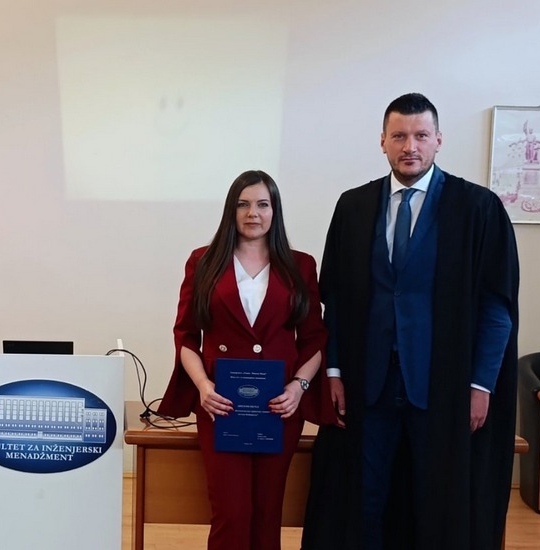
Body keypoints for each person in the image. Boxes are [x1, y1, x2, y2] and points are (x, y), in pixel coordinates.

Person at [301, 93, 520, 550]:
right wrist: (334, 370)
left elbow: (496, 308)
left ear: (439, 140)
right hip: (369, 385)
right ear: (382, 141)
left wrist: (482, 384)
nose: (410, 146)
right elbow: (334, 298)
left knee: (436, 505)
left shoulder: (477, 209)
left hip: (444, 387)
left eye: (421, 135)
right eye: (399, 136)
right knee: (365, 501)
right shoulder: (354, 207)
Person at [157, 170, 333, 550]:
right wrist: (203, 386)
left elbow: (314, 339)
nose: (253, 213)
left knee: (268, 513)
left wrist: (299, 388)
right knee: (231, 513)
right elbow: (185, 336)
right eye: (243, 204)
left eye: (262, 204)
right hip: (221, 406)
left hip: (279, 408)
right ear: (231, 210)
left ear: (275, 211)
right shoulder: (203, 261)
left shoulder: (300, 265)